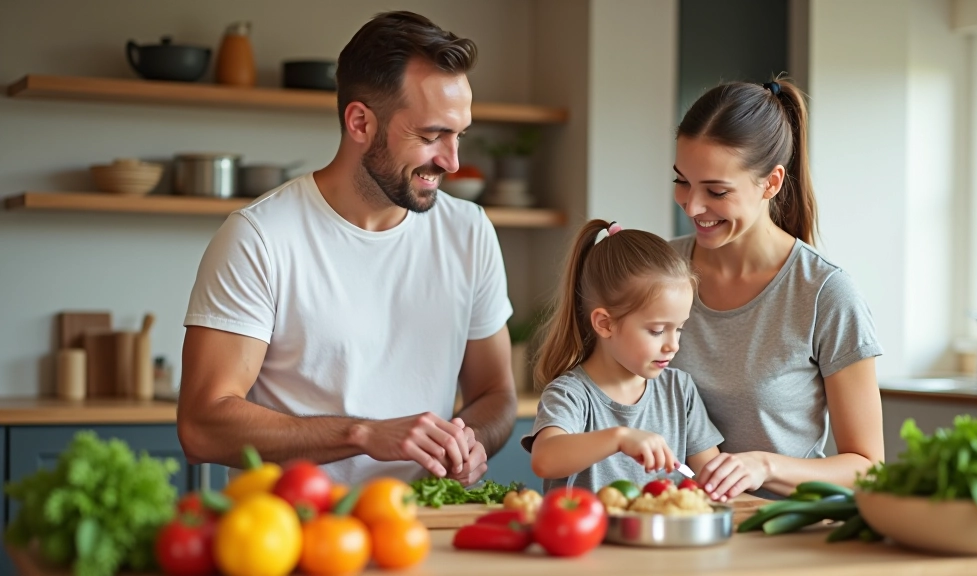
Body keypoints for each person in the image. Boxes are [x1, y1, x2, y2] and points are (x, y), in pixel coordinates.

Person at [176, 11, 518, 488]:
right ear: (360, 122)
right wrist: (362, 434)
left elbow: (496, 393)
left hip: (421, 524)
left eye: (459, 135)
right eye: (430, 136)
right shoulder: (259, 237)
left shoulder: (469, 232)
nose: (453, 161)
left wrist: (470, 441)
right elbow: (202, 426)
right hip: (293, 525)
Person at [670, 77, 885, 500]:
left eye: (716, 190)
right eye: (681, 181)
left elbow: (868, 468)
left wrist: (763, 466)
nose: (692, 206)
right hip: (665, 522)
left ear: (771, 183)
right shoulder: (657, 270)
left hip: (777, 531)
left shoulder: (825, 293)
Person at [522, 219, 745, 497]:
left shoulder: (679, 390)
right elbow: (544, 460)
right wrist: (619, 437)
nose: (673, 345)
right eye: (657, 331)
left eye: (679, 329)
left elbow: (711, 477)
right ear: (605, 324)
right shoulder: (571, 395)